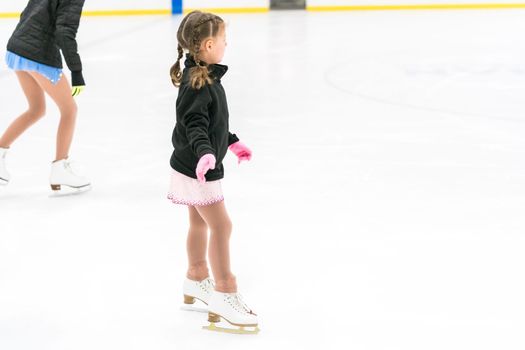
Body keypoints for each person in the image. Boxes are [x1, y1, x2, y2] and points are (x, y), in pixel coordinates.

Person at [168, 11, 258, 333]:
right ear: (208, 45)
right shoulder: (198, 83)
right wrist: (207, 153)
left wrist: (231, 143)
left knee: (198, 222)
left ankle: (195, 276)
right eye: (223, 40)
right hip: (199, 168)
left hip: (189, 164)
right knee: (222, 225)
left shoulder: (204, 77)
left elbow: (213, 123)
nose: (226, 44)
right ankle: (224, 289)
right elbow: (194, 124)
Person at [0, 0, 90, 193]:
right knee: (69, 110)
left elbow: (26, 13)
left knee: (36, 110)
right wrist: (76, 71)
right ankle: (60, 167)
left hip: (17, 48)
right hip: (37, 55)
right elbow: (64, 32)